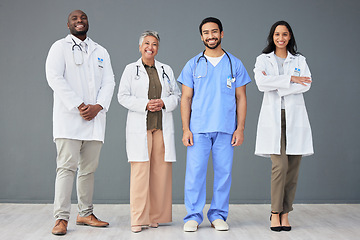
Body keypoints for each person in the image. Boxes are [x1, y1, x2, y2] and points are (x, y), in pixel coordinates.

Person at [178, 17, 251, 232]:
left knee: (224, 174)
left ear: (222, 33)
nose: (211, 36)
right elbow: (186, 99)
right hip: (198, 128)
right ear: (201, 36)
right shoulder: (193, 64)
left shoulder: (234, 63)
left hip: (226, 129)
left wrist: (240, 128)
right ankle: (192, 215)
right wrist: (186, 129)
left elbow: (241, 98)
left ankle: (218, 214)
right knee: (195, 173)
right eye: (206, 32)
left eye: (214, 31)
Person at [45, 10, 115, 235]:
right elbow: (54, 77)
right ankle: (61, 218)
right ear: (68, 24)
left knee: (88, 170)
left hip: (95, 119)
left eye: (83, 18)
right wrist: (79, 105)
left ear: (88, 22)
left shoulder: (101, 51)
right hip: (69, 119)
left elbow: (109, 82)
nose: (79, 21)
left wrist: (98, 106)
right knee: (66, 168)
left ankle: (85, 213)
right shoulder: (59, 47)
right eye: (74, 19)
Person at [118, 30, 181, 233]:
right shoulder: (131, 69)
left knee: (160, 173)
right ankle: (138, 219)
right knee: (140, 174)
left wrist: (163, 102)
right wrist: (145, 104)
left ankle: (155, 217)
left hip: (161, 127)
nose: (150, 47)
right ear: (140, 47)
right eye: (146, 43)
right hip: (141, 128)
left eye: (154, 44)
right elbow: (122, 96)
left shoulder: (166, 69)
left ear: (158, 48)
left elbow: (176, 95)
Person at [253, 20, 313, 232]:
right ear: (272, 37)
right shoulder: (263, 60)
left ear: (290, 37)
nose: (281, 38)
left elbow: (306, 83)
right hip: (273, 118)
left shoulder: (299, 59)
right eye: (277, 34)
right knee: (280, 166)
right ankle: (275, 212)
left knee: (294, 167)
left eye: (285, 34)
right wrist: (291, 79)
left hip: (295, 117)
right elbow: (261, 84)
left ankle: (286, 212)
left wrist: (278, 83)